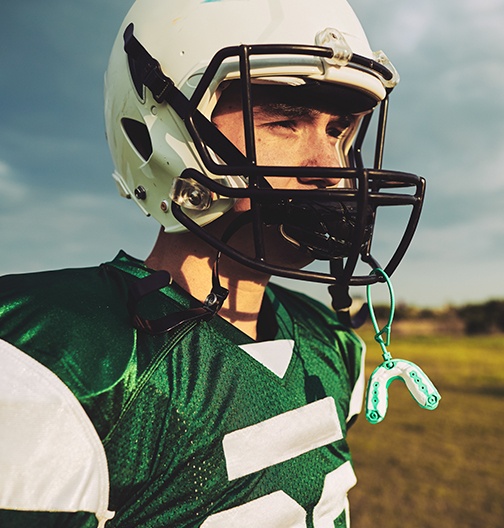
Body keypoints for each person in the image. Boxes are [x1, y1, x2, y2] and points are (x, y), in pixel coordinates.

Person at [0, 0, 426, 526]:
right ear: (161, 135)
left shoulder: (332, 344)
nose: (331, 169)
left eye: (338, 131)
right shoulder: (58, 363)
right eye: (285, 122)